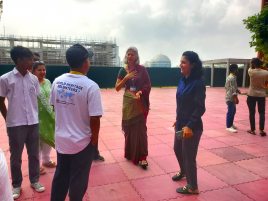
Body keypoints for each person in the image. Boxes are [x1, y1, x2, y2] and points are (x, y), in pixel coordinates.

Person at [50, 44, 103, 201]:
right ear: (85, 62)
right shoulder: (91, 87)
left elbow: (54, 107)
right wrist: (94, 140)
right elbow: (95, 118)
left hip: (61, 139)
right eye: (89, 59)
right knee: (78, 180)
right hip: (81, 142)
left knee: (61, 176)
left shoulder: (57, 82)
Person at [0, 46, 45, 200]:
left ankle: (35, 180)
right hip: (15, 124)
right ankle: (17, 185)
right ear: (19, 60)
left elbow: (39, 98)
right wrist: (8, 118)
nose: (33, 62)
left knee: (34, 154)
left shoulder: (33, 79)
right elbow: (0, 101)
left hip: (33, 122)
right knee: (16, 156)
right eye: (30, 59)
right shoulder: (6, 79)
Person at [172, 51, 206, 194]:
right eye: (180, 62)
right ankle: (184, 172)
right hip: (180, 124)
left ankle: (193, 186)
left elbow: (200, 108)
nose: (180, 64)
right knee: (177, 149)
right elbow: (181, 103)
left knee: (189, 156)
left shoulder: (198, 83)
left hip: (192, 127)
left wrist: (189, 125)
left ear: (192, 65)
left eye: (184, 62)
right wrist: (177, 119)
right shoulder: (182, 80)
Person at [115, 47, 151, 169]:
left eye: (132, 54)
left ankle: (142, 157)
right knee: (129, 128)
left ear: (136, 56)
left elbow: (148, 85)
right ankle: (130, 153)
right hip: (128, 102)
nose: (130, 56)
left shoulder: (142, 70)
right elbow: (117, 88)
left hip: (140, 102)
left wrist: (141, 92)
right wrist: (126, 77)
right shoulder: (122, 70)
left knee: (141, 130)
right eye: (128, 54)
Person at [32, 61, 56, 175]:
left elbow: (51, 97)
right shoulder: (31, 83)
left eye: (44, 69)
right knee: (37, 142)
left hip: (49, 115)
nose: (42, 72)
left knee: (48, 139)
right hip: (36, 116)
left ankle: (46, 160)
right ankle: (36, 166)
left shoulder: (47, 82)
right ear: (33, 71)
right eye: (39, 70)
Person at [247, 58, 268, 136]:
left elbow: (250, 67)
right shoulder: (266, 73)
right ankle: (261, 130)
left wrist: (251, 64)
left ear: (253, 64)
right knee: (262, 113)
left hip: (251, 94)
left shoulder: (251, 71)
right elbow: (266, 83)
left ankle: (252, 130)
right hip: (262, 95)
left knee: (252, 113)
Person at [225, 64, 240, 133]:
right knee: (231, 112)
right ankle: (228, 126)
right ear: (234, 70)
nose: (237, 70)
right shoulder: (232, 78)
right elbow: (232, 89)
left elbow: (233, 87)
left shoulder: (232, 77)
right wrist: (235, 98)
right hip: (230, 98)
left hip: (230, 97)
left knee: (233, 111)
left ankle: (231, 124)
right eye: (237, 69)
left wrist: (237, 90)